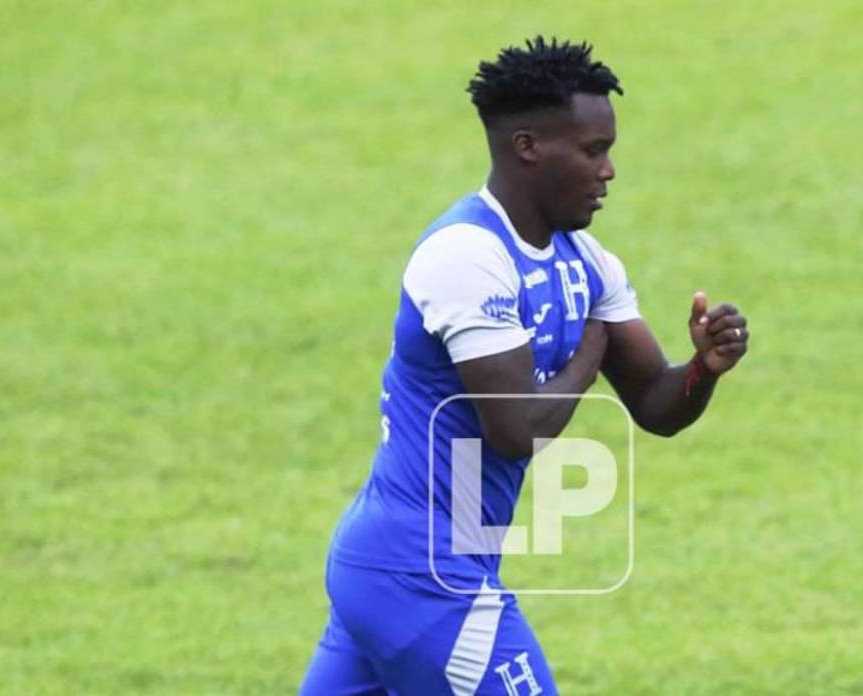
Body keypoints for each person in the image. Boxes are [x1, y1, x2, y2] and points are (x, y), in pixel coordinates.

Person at [300, 36, 749, 695]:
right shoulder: (466, 255)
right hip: (420, 575)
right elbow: (516, 429)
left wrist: (703, 368)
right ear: (529, 147)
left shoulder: (589, 263)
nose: (610, 171)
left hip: (407, 568)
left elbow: (656, 404)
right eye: (593, 151)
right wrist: (596, 340)